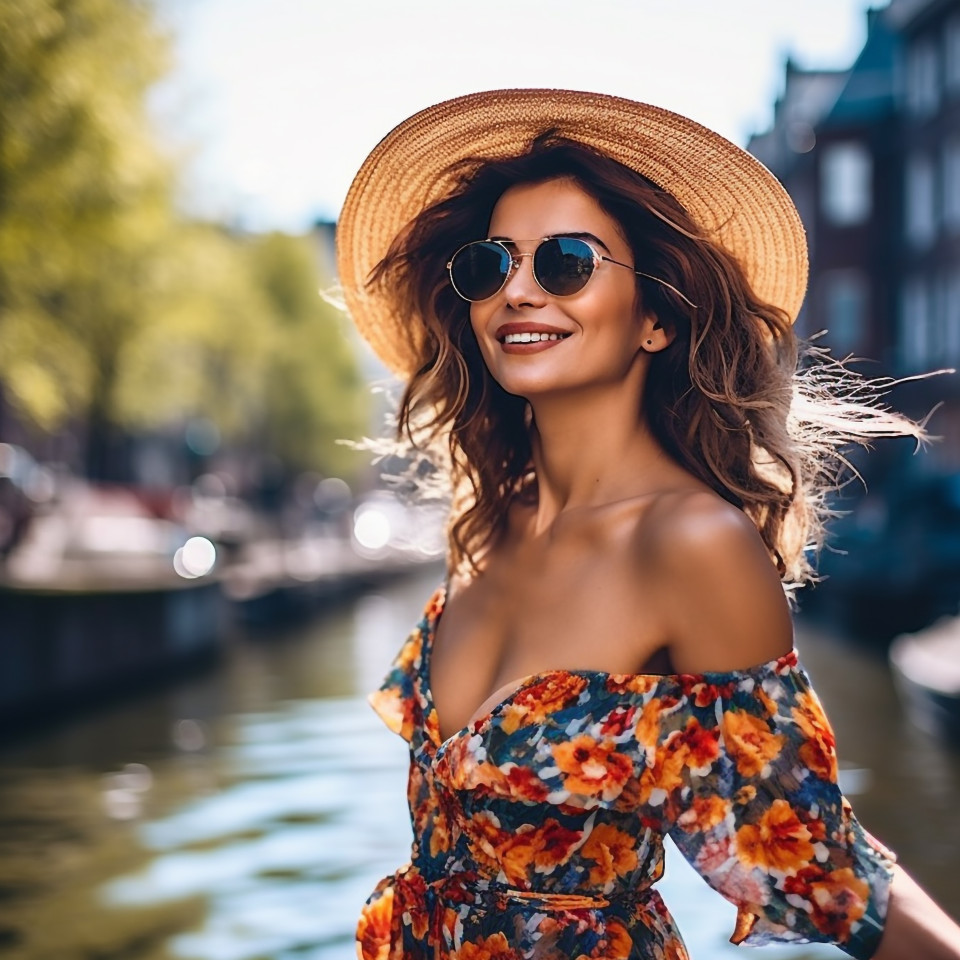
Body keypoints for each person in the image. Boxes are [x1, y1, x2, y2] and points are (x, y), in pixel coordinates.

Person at [336, 89, 960, 960]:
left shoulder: (692, 546)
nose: (516, 289)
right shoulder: (491, 522)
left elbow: (821, 871)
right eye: (488, 264)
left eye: (563, 262)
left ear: (658, 317)